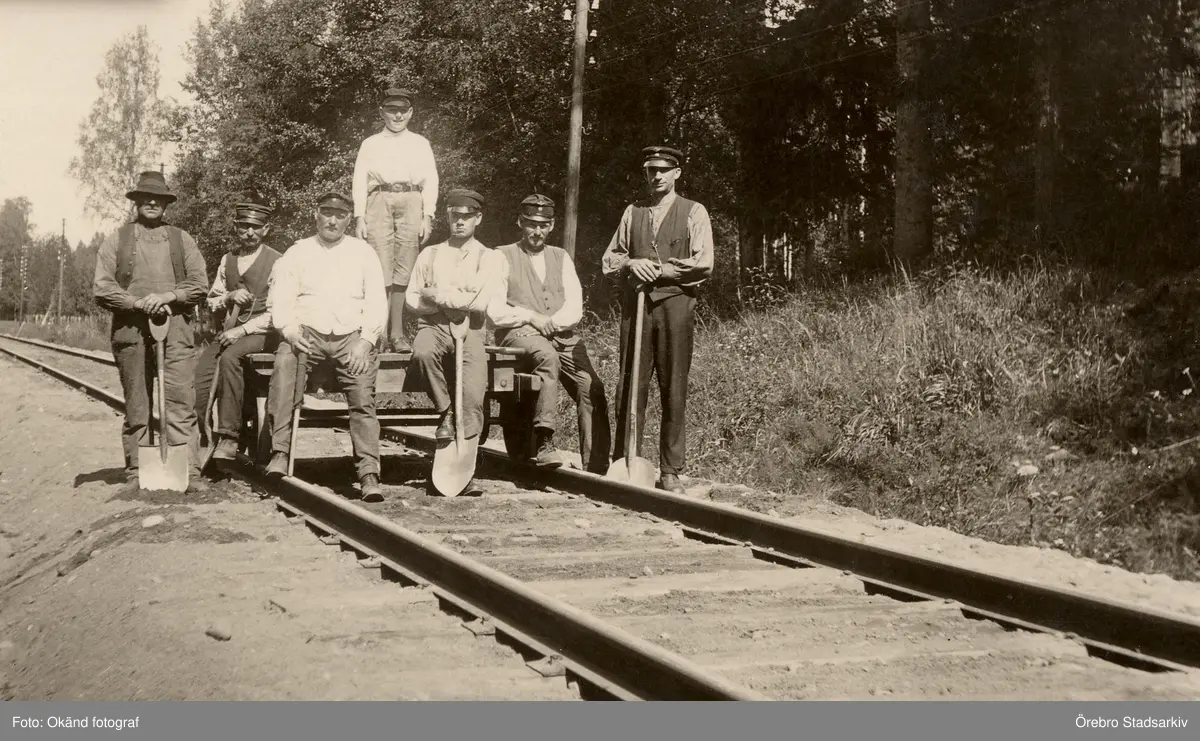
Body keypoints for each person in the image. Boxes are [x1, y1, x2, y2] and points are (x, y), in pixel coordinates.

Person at [600, 146, 714, 496]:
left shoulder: (694, 211)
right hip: (636, 308)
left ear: (677, 173)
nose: (657, 176)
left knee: (673, 387)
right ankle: (625, 459)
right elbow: (610, 259)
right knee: (630, 385)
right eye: (651, 170)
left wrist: (661, 270)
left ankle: (670, 469)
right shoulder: (633, 212)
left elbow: (703, 263)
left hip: (675, 306)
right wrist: (631, 263)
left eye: (664, 170)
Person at [264, 191, 388, 502]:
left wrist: (366, 341)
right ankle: (280, 452)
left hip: (351, 338)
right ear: (316, 215)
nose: (332, 220)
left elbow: (377, 301)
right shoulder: (298, 252)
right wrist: (290, 331)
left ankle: (368, 473)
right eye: (326, 213)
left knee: (362, 396)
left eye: (340, 215)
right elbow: (282, 299)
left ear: (348, 219)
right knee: (285, 367)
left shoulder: (363, 253)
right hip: (307, 335)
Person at [92, 171, 210, 494]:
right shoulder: (117, 240)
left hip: (176, 332)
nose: (152, 202)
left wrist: (169, 296)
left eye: (159, 198)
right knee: (137, 405)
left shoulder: (182, 240)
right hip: (130, 331)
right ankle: (137, 472)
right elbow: (102, 288)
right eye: (146, 197)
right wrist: (136, 303)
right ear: (137, 201)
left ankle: (189, 472)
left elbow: (200, 283)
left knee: (180, 403)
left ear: (166, 204)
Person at [488, 194, 611, 473]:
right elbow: (494, 311)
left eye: (543, 225)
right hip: (519, 335)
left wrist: (551, 323)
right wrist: (531, 317)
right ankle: (545, 439)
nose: (537, 231)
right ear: (520, 223)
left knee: (591, 385)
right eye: (531, 224)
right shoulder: (501, 255)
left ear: (552, 226)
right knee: (547, 357)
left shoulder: (561, 257)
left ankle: (597, 465)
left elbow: (575, 307)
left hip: (560, 335)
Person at [405, 189, 506, 452]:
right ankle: (446, 410)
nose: (460, 222)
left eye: (467, 216)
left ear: (478, 218)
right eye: (455, 216)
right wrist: (450, 302)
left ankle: (466, 455)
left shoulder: (489, 257)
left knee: (472, 394)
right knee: (422, 353)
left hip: (472, 328)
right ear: (448, 217)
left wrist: (437, 295)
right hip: (433, 325)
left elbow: (480, 303)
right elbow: (412, 298)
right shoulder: (430, 254)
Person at [194, 196, 283, 462]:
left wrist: (241, 331)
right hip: (229, 332)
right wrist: (229, 297)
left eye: (256, 227)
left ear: (266, 229)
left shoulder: (278, 261)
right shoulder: (228, 260)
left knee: (230, 358)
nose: (250, 232)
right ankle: (204, 440)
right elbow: (211, 301)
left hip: (264, 333)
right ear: (236, 227)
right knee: (201, 376)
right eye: (244, 226)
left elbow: (277, 313)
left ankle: (229, 436)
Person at [352, 86, 440, 352]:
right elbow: (359, 180)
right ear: (382, 112)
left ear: (410, 113)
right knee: (379, 267)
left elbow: (431, 179)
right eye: (392, 110)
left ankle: (397, 334)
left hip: (412, 199)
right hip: (379, 199)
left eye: (403, 110)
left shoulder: (420, 143)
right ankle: (377, 333)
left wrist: (428, 214)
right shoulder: (370, 143)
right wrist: (359, 216)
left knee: (404, 266)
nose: (398, 115)